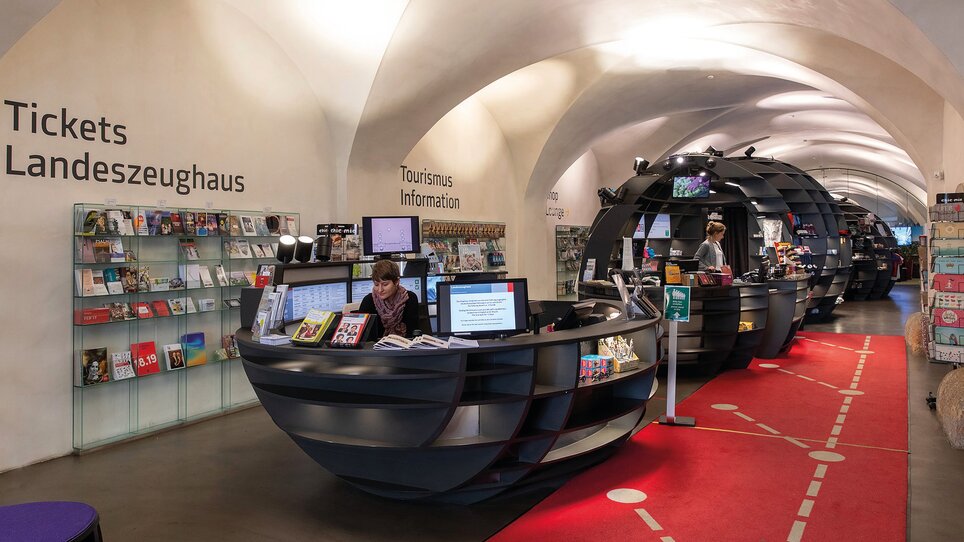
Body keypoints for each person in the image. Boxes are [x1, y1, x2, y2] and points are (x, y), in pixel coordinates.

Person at [359, 259, 420, 338]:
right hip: (375, 348)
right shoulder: (368, 301)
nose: (380, 290)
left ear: (397, 282)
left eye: (385, 284)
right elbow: (362, 336)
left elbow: (413, 334)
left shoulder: (410, 299)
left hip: (403, 347)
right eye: (376, 285)